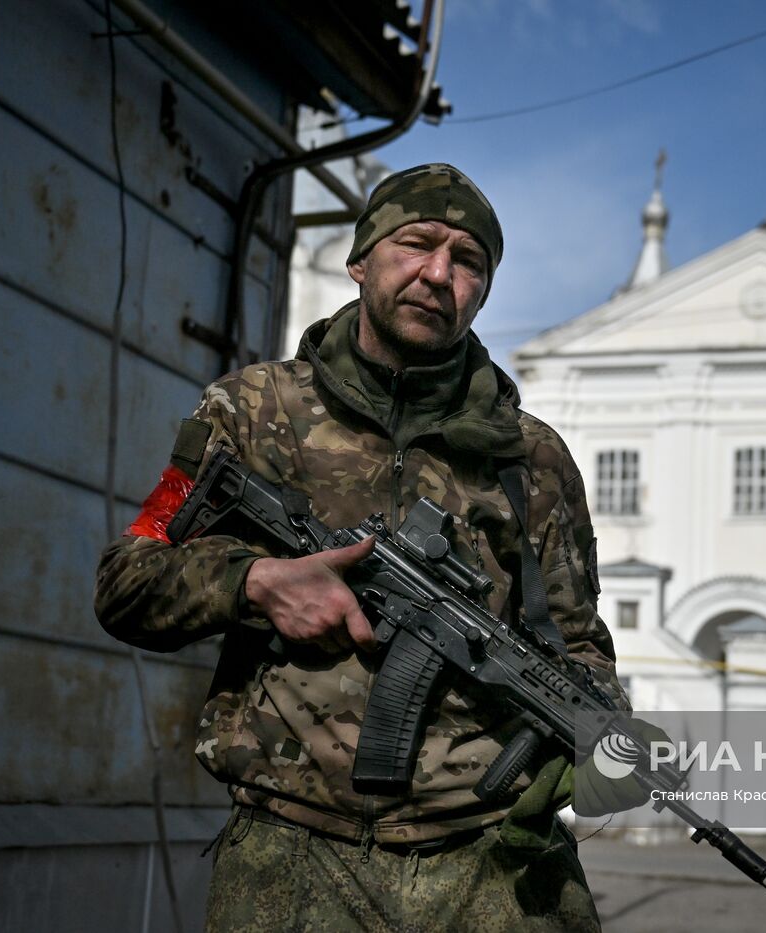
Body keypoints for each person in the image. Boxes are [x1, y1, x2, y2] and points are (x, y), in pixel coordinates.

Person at [95, 163, 637, 931]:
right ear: (361, 259)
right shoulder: (252, 410)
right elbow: (127, 581)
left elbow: (582, 644)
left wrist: (594, 730)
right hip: (290, 853)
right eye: (417, 244)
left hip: (490, 861)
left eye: (469, 260)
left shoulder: (531, 458)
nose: (439, 273)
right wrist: (255, 582)